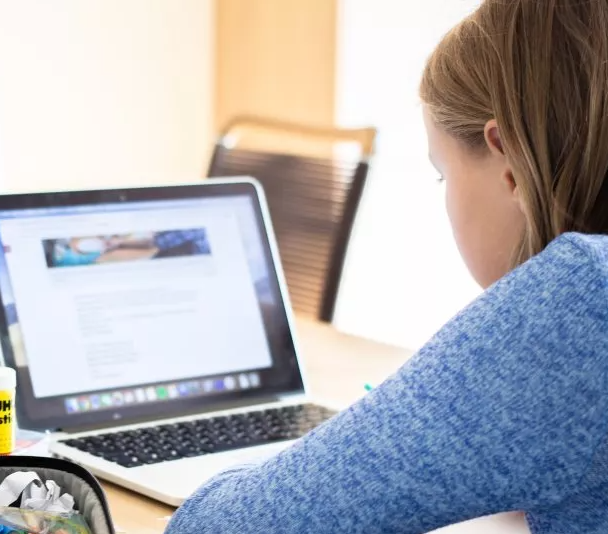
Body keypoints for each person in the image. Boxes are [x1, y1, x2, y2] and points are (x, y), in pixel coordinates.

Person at [165, 1, 608, 533]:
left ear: (508, 162)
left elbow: (216, 528)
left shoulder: (579, 298)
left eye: (442, 174)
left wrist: (333, 452)